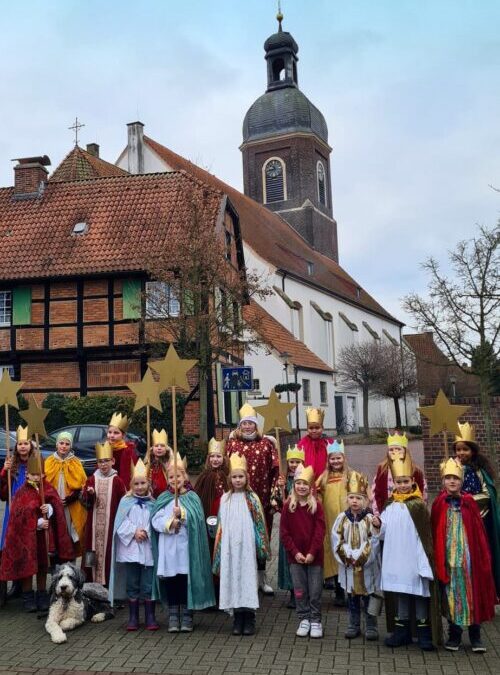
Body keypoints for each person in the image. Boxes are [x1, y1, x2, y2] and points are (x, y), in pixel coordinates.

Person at [373, 450, 440, 651]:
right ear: (393, 483)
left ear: (413, 481)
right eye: (398, 482)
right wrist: (377, 525)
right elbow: (384, 533)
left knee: (419, 595)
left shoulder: (418, 505)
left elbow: (424, 535)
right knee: (401, 594)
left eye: (405, 481)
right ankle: (401, 633)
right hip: (396, 560)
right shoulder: (390, 504)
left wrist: (424, 562)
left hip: (414, 559)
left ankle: (424, 633)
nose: (402, 485)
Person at [431, 457, 496, 653]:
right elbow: (435, 532)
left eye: (456, 478)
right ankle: (455, 635)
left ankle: (475, 636)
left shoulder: (469, 502)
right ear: (443, 480)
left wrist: (480, 557)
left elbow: (479, 534)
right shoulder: (439, 503)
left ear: (461, 481)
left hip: (469, 560)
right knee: (453, 596)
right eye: (448, 478)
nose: (452, 482)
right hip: (449, 560)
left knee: (472, 594)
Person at [0, 452, 74, 612]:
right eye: (32, 474)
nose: (35, 477)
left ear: (43, 474)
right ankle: (27, 595)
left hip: (44, 538)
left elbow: (58, 507)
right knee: (28, 566)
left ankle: (42, 594)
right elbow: (18, 515)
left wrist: (51, 509)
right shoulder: (21, 492)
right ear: (27, 474)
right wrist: (37, 522)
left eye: (38, 474)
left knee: (42, 565)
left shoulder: (48, 489)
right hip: (27, 539)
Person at [151, 456, 215, 633]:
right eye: (171, 477)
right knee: (172, 580)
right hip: (169, 549)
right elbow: (154, 520)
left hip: (186, 549)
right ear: (167, 478)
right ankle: (173, 614)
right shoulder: (163, 498)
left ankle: (187, 614)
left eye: (178, 476)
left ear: (185, 477)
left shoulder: (192, 497)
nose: (175, 480)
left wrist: (184, 514)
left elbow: (198, 519)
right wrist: (169, 523)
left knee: (184, 580)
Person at [213, 453, 270, 636]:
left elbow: (259, 524)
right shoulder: (225, 499)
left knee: (247, 578)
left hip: (246, 546)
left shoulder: (252, 499)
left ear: (246, 478)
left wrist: (261, 545)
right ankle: (237, 617)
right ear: (230, 479)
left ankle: (249, 617)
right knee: (233, 578)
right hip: (230, 547)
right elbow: (221, 526)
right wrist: (220, 549)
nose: (238, 480)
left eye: (241, 476)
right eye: (235, 477)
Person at [226, 402, 278, 595]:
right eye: (244, 424)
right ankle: (242, 579)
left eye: (251, 423)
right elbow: (225, 471)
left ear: (256, 425)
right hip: (239, 500)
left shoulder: (266, 444)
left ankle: (261, 579)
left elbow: (275, 471)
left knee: (260, 539)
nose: (247, 427)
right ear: (239, 426)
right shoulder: (233, 444)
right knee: (240, 539)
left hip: (262, 501)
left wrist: (275, 497)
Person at [109, 459, 158, 631]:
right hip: (131, 550)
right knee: (133, 583)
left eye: (142, 483)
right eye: (136, 483)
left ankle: (150, 617)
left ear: (148, 483)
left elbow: (156, 521)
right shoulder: (125, 501)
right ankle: (133, 617)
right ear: (131, 484)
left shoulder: (153, 503)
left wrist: (146, 531)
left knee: (148, 584)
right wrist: (134, 532)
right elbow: (120, 522)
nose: (139, 486)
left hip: (148, 548)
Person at [332, 472, 381, 641]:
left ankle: (371, 625)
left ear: (365, 501)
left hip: (366, 566)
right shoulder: (341, 519)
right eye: (352, 497)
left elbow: (373, 540)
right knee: (352, 598)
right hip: (349, 566)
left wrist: (360, 557)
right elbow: (336, 540)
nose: (355, 501)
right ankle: (353, 625)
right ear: (347, 499)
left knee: (369, 596)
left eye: (359, 498)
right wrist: (348, 557)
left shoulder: (369, 519)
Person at [453, 422, 500, 596]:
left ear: (472, 451)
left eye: (465, 449)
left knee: (481, 558)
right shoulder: (453, 469)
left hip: (480, 520)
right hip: (459, 520)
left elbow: (487, 495)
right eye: (458, 450)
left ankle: (484, 592)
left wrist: (466, 499)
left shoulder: (479, 471)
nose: (461, 453)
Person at [280, 463, 326, 639]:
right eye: (298, 483)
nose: (301, 487)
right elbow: (284, 533)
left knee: (314, 590)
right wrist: (295, 552)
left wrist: (312, 552)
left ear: (310, 486)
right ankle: (303, 618)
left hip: (314, 556)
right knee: (300, 590)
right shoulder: (288, 506)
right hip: (295, 557)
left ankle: (315, 620)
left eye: (305, 484)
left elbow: (320, 531)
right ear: (294, 485)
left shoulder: (316, 506)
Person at [316, 439, 361, 605]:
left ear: (344, 458)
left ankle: (353, 590)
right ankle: (339, 590)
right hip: (330, 522)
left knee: (349, 551)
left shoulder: (351, 476)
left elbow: (361, 494)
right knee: (334, 554)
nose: (335, 461)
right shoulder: (323, 478)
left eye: (338, 458)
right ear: (328, 460)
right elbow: (316, 495)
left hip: (348, 523)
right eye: (332, 459)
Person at [81, 441, 126, 586]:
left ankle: (109, 586)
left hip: (110, 527)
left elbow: (123, 504)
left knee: (109, 554)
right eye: (100, 461)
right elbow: (84, 502)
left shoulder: (118, 481)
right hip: (93, 528)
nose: (103, 465)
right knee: (91, 553)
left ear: (113, 461)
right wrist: (90, 495)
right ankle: (89, 582)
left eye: (106, 461)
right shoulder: (92, 479)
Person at [0, 425, 35, 604]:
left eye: (26, 443)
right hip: (12, 513)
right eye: (20, 443)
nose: (23, 446)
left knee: (25, 547)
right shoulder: (10, 465)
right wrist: (4, 471)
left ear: (31, 445)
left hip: (28, 514)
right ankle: (13, 584)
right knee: (9, 545)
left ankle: (24, 585)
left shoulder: (35, 463)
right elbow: (2, 493)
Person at [194, 437, 229, 606]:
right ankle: (211, 595)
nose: (215, 460)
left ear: (224, 458)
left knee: (222, 555)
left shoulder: (228, 477)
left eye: (218, 457)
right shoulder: (203, 477)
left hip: (225, 522)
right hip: (209, 521)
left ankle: (223, 594)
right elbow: (197, 499)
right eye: (212, 457)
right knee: (209, 555)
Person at [44, 431, 87, 557]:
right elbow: (43, 483)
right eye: (61, 443)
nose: (63, 446)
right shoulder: (49, 461)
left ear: (70, 446)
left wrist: (73, 497)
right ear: (56, 445)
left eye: (67, 444)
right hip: (53, 504)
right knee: (55, 528)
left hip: (70, 504)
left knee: (69, 529)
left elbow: (83, 483)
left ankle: (69, 557)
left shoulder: (76, 462)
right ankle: (55, 559)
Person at [370, 432, 427, 516]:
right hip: (387, 513)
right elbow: (376, 492)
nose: (394, 452)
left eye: (398, 449)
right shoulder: (382, 469)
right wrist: (378, 513)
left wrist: (420, 513)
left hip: (410, 513)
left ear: (405, 450)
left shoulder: (415, 470)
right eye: (391, 450)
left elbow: (422, 492)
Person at [277, 445, 305, 609]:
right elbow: (279, 505)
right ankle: (294, 593)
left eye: (297, 461)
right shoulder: (284, 480)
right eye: (291, 462)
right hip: (287, 527)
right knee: (289, 559)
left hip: (301, 527)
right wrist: (280, 491)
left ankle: (303, 591)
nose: (294, 464)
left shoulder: (306, 481)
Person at [297, 407, 333, 480]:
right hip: (307, 480)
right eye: (311, 428)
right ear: (307, 428)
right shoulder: (302, 443)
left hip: (324, 479)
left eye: (317, 428)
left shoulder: (328, 443)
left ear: (322, 428)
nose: (314, 431)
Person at [107, 413, 138, 486]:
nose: (112, 435)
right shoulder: (104, 448)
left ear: (123, 435)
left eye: (116, 433)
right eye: (109, 432)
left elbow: (128, 474)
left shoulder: (127, 451)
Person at [144, 428, 171, 498]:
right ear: (152, 449)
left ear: (166, 448)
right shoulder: (149, 462)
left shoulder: (169, 462)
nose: (159, 448)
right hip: (152, 495)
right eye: (156, 446)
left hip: (166, 495)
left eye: (162, 446)